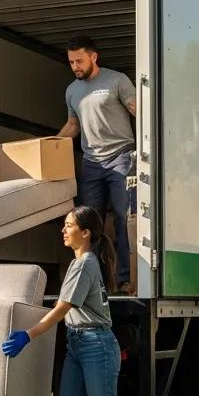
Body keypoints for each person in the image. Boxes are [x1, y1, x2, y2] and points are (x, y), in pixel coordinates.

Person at [2, 205, 128, 396]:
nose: (63, 230)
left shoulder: (86, 263)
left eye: (69, 225)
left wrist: (28, 335)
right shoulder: (77, 263)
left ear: (85, 233)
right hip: (77, 345)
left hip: (96, 345)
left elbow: (63, 308)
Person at [57, 35, 137, 293]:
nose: (76, 66)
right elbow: (73, 126)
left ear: (94, 56)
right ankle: (94, 280)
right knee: (87, 226)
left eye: (79, 60)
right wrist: (48, 145)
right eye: (71, 62)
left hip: (121, 158)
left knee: (126, 220)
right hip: (91, 164)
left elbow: (140, 110)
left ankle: (124, 279)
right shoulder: (72, 90)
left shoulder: (117, 80)